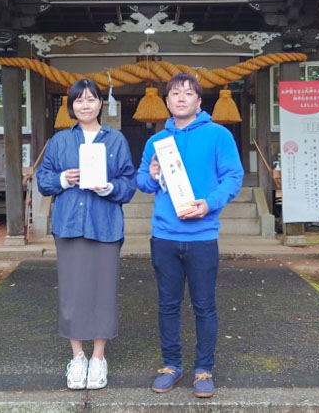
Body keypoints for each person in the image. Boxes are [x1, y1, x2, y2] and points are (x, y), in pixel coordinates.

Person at [136, 73, 244, 398]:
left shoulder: (218, 135)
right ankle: (171, 365)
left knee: (204, 306)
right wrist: (152, 175)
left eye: (188, 93)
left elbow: (233, 176)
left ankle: (203, 369)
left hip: (202, 236)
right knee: (167, 305)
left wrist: (209, 204)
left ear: (199, 100)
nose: (181, 98)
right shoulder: (156, 141)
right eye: (174, 93)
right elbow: (142, 181)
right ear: (166, 101)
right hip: (164, 235)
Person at [37, 78, 136, 390]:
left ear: (100, 104)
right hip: (69, 224)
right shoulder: (59, 141)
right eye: (78, 100)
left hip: (105, 224)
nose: (85, 105)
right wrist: (63, 179)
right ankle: (77, 356)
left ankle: (98, 357)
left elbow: (129, 184)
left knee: (102, 291)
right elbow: (43, 180)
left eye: (91, 99)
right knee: (73, 291)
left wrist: (109, 187)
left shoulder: (116, 140)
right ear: (71, 106)